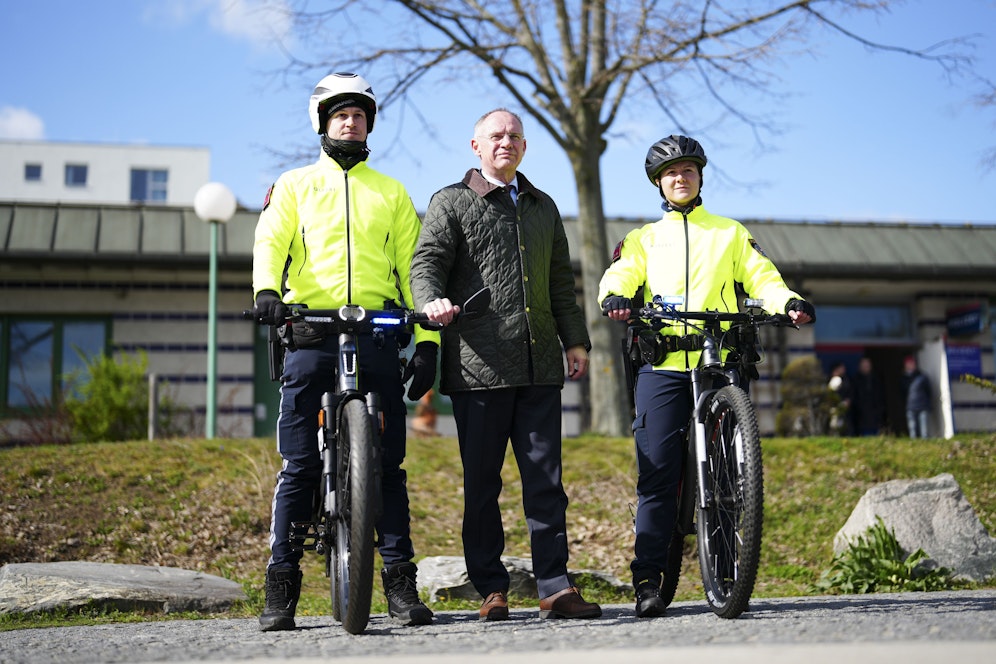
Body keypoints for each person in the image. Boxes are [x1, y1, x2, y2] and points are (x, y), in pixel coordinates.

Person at [597, 135, 815, 618]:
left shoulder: (730, 233)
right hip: (665, 367)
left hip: (720, 364)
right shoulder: (643, 239)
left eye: (689, 170)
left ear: (700, 177)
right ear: (659, 181)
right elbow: (621, 274)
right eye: (672, 172)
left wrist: (789, 303)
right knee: (656, 477)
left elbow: (762, 278)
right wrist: (615, 297)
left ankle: (730, 570)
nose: (681, 177)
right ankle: (648, 582)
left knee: (733, 477)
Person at [251, 72, 438, 631]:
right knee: (300, 465)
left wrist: (426, 340)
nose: (351, 121)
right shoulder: (294, 185)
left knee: (390, 468)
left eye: (359, 114)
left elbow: (416, 269)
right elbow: (270, 240)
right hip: (311, 330)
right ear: (323, 123)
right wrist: (265, 291)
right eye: (340, 114)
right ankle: (281, 584)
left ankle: (401, 585)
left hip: (377, 333)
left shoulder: (392, 192)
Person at [410, 108, 601, 622]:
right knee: (482, 486)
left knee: (546, 483)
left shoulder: (543, 206)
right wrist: (430, 302)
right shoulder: (450, 202)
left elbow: (560, 280)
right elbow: (426, 261)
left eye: (515, 135)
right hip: (478, 369)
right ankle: (491, 589)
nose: (506, 142)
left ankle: (555, 588)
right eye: (496, 135)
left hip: (540, 367)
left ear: (524, 145)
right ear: (476, 146)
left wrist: (575, 341)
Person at [851, 356, 885, 436]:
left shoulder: (876, 379)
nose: (866, 367)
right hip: (861, 417)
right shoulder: (856, 380)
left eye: (868, 365)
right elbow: (854, 398)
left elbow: (881, 397)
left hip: (875, 416)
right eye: (864, 365)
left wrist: (880, 412)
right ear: (860, 366)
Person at [901, 355, 931, 438]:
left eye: (912, 363)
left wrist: (928, 404)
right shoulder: (904, 378)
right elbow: (903, 394)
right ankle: (914, 446)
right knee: (912, 430)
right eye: (908, 363)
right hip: (910, 407)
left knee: (924, 430)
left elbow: (929, 391)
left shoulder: (922, 377)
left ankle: (926, 446)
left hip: (923, 406)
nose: (910, 365)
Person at [828, 361, 854, 435]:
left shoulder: (847, 380)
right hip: (833, 409)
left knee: (846, 427)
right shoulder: (830, 380)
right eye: (841, 368)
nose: (843, 370)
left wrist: (848, 400)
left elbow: (850, 392)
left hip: (845, 409)